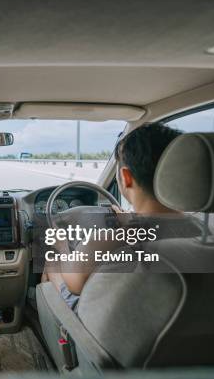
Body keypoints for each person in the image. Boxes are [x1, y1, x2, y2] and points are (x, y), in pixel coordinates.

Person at [43, 122, 200, 307]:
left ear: (126, 177)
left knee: (52, 263)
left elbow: (74, 284)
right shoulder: (205, 231)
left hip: (99, 326)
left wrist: (62, 247)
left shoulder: (107, 240)